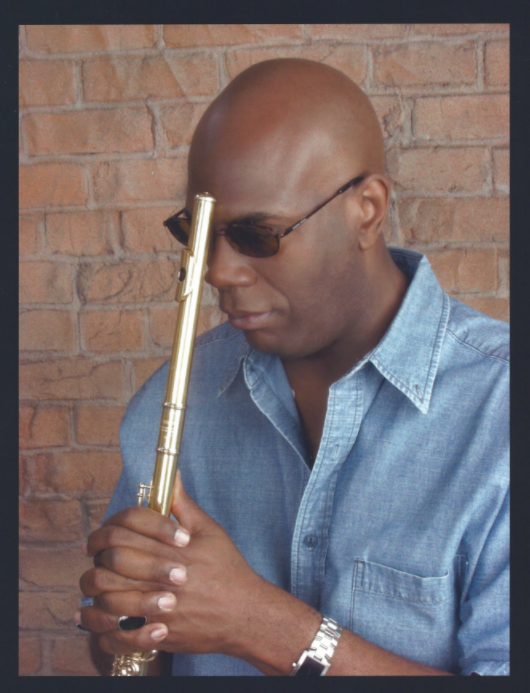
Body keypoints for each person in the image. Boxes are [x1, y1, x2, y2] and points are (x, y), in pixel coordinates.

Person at [77, 58, 509, 676]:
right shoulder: (175, 399)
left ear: (367, 208)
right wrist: (124, 627)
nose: (219, 272)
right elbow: (127, 656)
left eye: (258, 235)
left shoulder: (499, 414)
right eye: (199, 234)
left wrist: (260, 625)